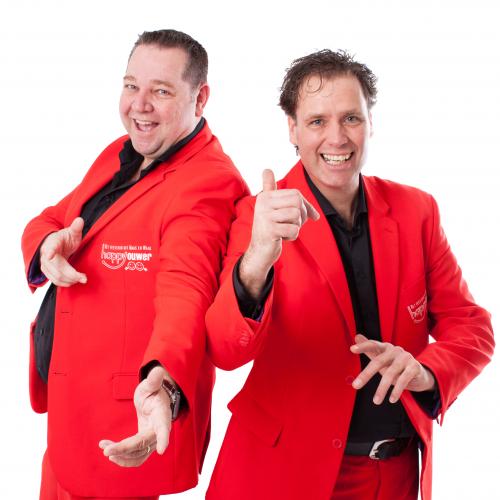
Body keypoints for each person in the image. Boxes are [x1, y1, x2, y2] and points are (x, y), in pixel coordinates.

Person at [204, 50, 494, 500]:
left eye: (351, 118)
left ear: (370, 123)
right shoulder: (258, 217)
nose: (337, 138)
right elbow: (225, 350)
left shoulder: (417, 210)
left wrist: (426, 371)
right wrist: (258, 257)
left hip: (393, 476)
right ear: (293, 129)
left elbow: (472, 327)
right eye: (317, 121)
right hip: (282, 473)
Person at [21, 29, 248, 500]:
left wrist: (164, 382)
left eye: (161, 91)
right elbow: (52, 218)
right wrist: (47, 247)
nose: (139, 105)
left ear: (200, 98)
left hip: (125, 430)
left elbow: (185, 291)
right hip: (70, 416)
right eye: (131, 86)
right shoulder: (121, 152)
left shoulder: (206, 183)